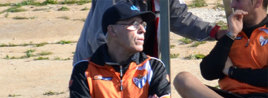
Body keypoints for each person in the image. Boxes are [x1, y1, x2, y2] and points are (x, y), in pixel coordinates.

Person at [73, 0, 223, 65]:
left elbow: (178, 17)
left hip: (138, 67)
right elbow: (100, 36)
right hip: (99, 65)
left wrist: (215, 33)